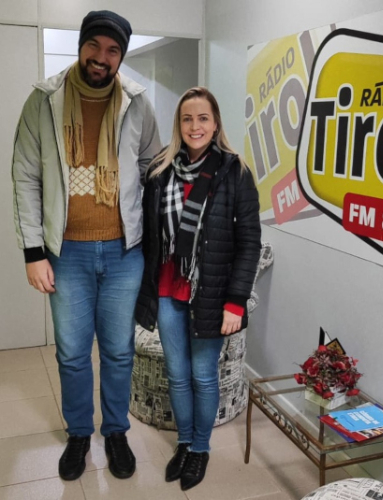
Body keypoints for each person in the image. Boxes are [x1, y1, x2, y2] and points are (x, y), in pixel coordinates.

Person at [11, 10, 160, 481]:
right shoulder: (44, 100)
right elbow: (25, 176)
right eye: (94, 45)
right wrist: (33, 252)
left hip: (124, 252)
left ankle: (115, 431)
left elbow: (153, 168)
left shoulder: (137, 102)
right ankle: (79, 433)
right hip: (66, 253)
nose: (101, 57)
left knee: (118, 351)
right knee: (73, 353)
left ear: (121, 56)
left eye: (113, 50)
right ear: (81, 46)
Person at [135, 87, 261, 491]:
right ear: (179, 124)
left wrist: (236, 302)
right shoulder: (161, 171)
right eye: (187, 118)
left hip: (210, 293)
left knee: (203, 376)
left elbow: (249, 243)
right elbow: (151, 236)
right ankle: (185, 443)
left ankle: (201, 448)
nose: (195, 126)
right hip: (168, 289)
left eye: (203, 118)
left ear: (216, 122)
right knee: (176, 374)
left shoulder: (235, 172)